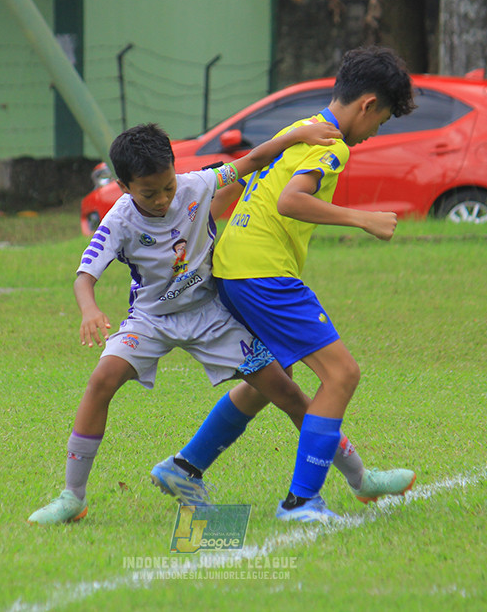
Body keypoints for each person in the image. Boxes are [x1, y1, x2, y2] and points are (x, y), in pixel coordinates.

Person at [27, 120, 341, 525]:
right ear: (123, 186)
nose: (162, 199)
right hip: (151, 319)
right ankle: (72, 497)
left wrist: (296, 136)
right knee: (101, 381)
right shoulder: (119, 220)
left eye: (167, 187)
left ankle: (359, 477)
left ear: (176, 170)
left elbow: (252, 160)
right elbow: (84, 277)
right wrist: (89, 309)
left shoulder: (195, 184)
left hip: (210, 315)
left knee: (287, 390)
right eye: (149, 193)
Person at [211, 46, 418, 523]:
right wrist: (362, 219)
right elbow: (290, 201)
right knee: (342, 374)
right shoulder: (332, 145)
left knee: (268, 382)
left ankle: (185, 465)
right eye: (381, 121)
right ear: (367, 104)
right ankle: (301, 501)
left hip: (233, 265)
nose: (375, 133)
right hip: (261, 272)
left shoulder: (298, 128)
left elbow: (242, 186)